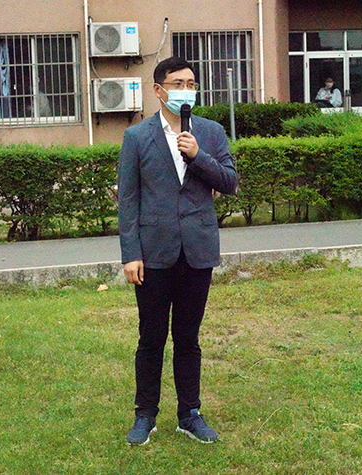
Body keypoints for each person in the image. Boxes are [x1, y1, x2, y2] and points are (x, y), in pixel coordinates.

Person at [118, 56, 237, 446]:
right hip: (153, 253)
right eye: (178, 84)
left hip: (197, 251)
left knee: (188, 337)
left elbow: (230, 181)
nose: (186, 90)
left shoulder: (211, 132)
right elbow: (128, 201)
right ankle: (145, 415)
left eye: (191, 84)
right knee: (151, 338)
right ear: (159, 90)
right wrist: (130, 254)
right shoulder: (137, 137)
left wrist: (199, 155)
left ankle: (190, 414)